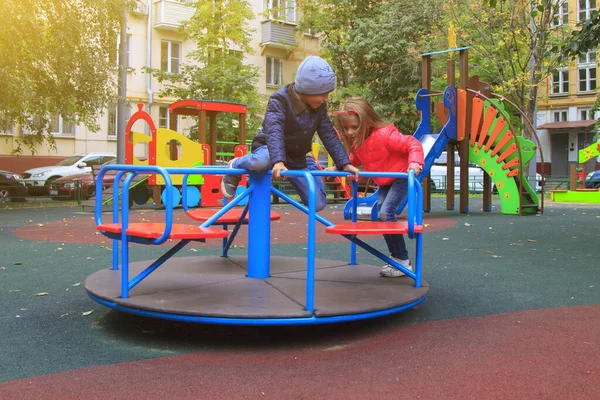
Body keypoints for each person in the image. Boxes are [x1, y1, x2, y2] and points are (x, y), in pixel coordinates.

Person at [221, 56, 359, 211]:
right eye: (322, 94)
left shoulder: (318, 108)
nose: (325, 99)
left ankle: (308, 165)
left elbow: (328, 134)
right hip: (270, 149)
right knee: (262, 161)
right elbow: (274, 131)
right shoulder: (280, 100)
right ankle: (235, 165)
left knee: (318, 203)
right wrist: (278, 161)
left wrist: (344, 163)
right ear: (308, 89)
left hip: (297, 157)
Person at [335, 97, 424, 278]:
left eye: (354, 127)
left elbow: (412, 143)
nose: (350, 132)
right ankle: (397, 258)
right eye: (346, 128)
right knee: (382, 215)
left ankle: (402, 259)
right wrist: (340, 166)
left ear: (366, 123)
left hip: (401, 176)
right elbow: (356, 160)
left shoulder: (385, 134)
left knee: (386, 213)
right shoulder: (358, 143)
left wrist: (414, 164)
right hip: (385, 181)